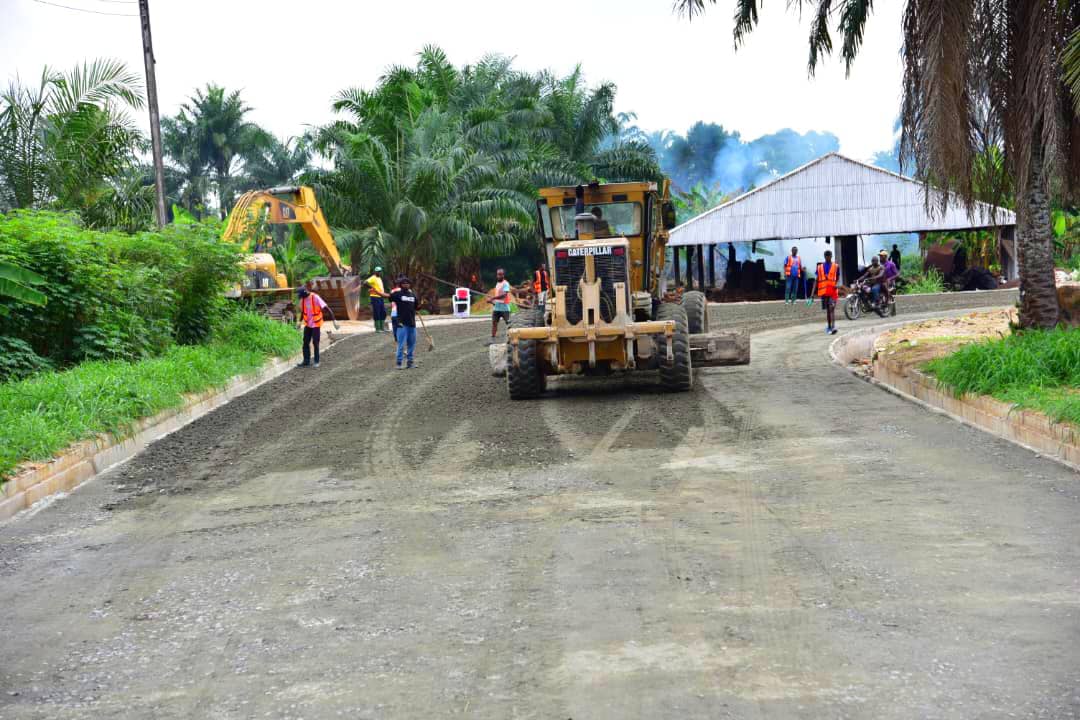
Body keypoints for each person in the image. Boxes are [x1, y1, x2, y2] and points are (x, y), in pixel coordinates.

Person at [296, 286, 336, 368]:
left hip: (316, 324)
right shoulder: (303, 299)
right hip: (308, 324)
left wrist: (334, 320)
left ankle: (316, 361)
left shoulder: (315, 297)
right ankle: (306, 361)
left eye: (301, 296)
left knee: (315, 342)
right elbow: (304, 312)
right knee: (305, 342)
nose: (301, 298)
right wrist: (300, 322)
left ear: (305, 292)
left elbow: (327, 308)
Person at [389, 276, 418, 369]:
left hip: (412, 324)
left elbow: (417, 307)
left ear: (410, 285)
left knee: (411, 344)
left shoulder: (413, 295)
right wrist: (376, 292)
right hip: (401, 323)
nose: (406, 284)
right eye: (404, 283)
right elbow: (387, 296)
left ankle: (410, 363)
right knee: (401, 344)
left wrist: (420, 305)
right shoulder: (397, 294)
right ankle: (399, 363)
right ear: (400, 285)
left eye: (407, 283)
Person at [817, 250, 839, 335]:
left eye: (829, 256)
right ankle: (829, 326)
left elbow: (837, 277)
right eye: (826, 256)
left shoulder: (836, 266)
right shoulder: (820, 267)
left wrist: (834, 284)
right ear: (824, 256)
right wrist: (812, 294)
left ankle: (833, 327)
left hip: (832, 291)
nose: (828, 257)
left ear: (831, 256)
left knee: (831, 308)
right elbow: (817, 279)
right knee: (828, 310)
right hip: (824, 291)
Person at [488, 268, 513, 344]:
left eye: (501, 274)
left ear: (503, 275)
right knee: (494, 323)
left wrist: (493, 298)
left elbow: (504, 295)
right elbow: (497, 299)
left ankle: (511, 338)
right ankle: (492, 339)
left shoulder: (506, 283)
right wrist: (491, 301)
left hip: (505, 308)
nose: (499, 276)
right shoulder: (497, 284)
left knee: (509, 324)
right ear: (497, 275)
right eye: (498, 274)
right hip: (496, 308)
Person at [365, 266, 390, 334]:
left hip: (380, 297)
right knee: (377, 312)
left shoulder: (379, 278)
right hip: (375, 297)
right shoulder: (373, 277)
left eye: (380, 271)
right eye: (378, 271)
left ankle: (382, 327)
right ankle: (378, 328)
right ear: (375, 272)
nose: (379, 272)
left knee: (383, 312)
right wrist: (372, 288)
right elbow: (365, 282)